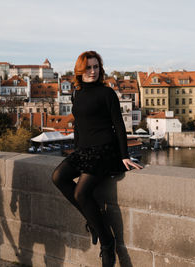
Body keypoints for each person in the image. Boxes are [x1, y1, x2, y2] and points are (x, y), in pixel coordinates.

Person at [52, 51, 142, 267]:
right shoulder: (77, 93)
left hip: (104, 150)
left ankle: (107, 242)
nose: (93, 71)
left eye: (96, 67)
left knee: (81, 193)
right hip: (84, 150)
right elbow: (79, 125)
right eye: (88, 67)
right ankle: (93, 222)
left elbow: (118, 125)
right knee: (58, 177)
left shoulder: (107, 93)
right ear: (80, 70)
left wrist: (124, 156)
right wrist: (76, 152)